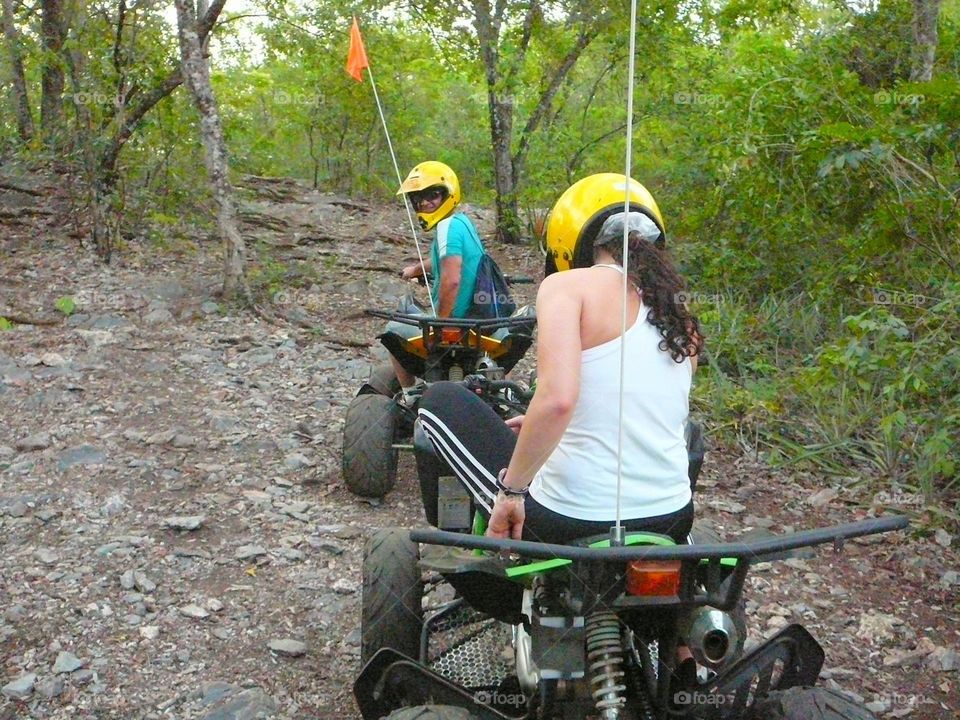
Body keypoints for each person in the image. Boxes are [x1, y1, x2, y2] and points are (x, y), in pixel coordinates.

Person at [417, 173, 703, 545]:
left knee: (440, 397)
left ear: (567, 238)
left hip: (571, 516)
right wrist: (542, 422)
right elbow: (640, 402)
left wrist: (513, 492)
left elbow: (558, 400)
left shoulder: (567, 287)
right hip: (673, 517)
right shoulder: (675, 308)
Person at [388, 160, 487, 404]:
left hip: (456, 320)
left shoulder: (446, 227)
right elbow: (446, 259)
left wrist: (439, 324)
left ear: (448, 194)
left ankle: (410, 394)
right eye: (419, 198)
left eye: (432, 195)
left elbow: (452, 279)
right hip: (476, 317)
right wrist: (416, 269)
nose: (424, 203)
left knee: (393, 329)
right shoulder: (462, 223)